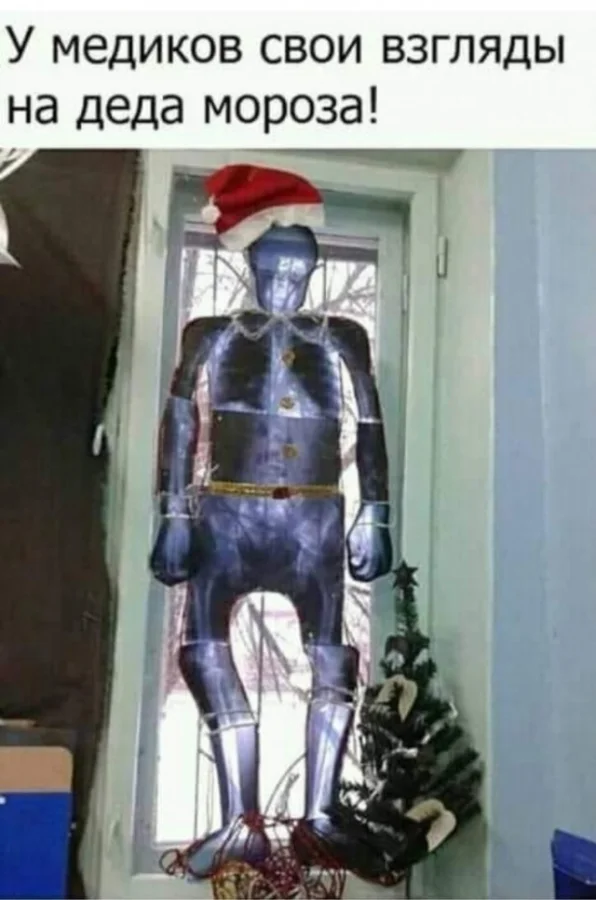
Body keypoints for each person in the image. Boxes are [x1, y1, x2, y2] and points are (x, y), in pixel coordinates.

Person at [150, 164, 392, 878]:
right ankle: (241, 819)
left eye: (299, 266)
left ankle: (320, 814)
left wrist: (376, 513)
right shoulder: (209, 333)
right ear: (249, 261)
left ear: (314, 268)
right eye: (272, 264)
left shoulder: (344, 336)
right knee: (202, 648)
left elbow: (370, 425)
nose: (286, 279)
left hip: (314, 517)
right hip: (226, 512)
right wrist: (172, 511)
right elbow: (180, 422)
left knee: (332, 656)